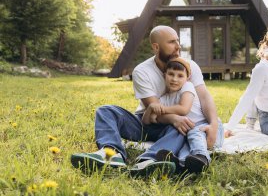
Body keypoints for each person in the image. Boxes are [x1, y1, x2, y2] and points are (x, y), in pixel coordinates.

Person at [71, 25, 220, 175]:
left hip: (174, 127)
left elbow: (204, 96)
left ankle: (148, 161)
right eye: (171, 42)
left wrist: (213, 124)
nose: (178, 46)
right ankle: (111, 153)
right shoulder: (142, 71)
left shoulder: (188, 67)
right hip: (149, 122)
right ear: (156, 47)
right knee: (105, 111)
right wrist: (174, 118)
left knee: (182, 126)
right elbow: (154, 110)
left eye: (177, 41)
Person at [138, 57, 224, 173]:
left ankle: (202, 157)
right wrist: (150, 108)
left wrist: (161, 109)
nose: (174, 79)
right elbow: (147, 121)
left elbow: (184, 109)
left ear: (187, 78)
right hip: (190, 129)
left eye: (180, 76)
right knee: (184, 142)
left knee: (194, 133)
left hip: (207, 127)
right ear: (165, 75)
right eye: (171, 74)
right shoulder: (164, 99)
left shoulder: (188, 87)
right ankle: (182, 164)